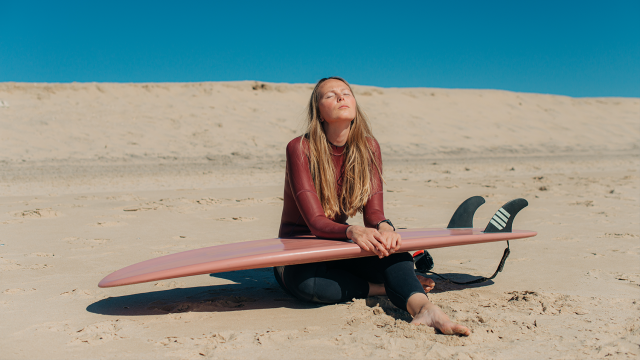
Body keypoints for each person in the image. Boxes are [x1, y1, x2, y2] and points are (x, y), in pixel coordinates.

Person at [274, 77, 470, 336]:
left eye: (346, 93)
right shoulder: (300, 148)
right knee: (308, 286)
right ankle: (381, 287)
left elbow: (374, 214)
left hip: (337, 246)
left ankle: (425, 309)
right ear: (318, 112)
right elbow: (314, 221)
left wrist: (384, 227)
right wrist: (351, 231)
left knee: (396, 254)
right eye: (330, 95)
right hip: (299, 251)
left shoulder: (368, 147)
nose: (341, 97)